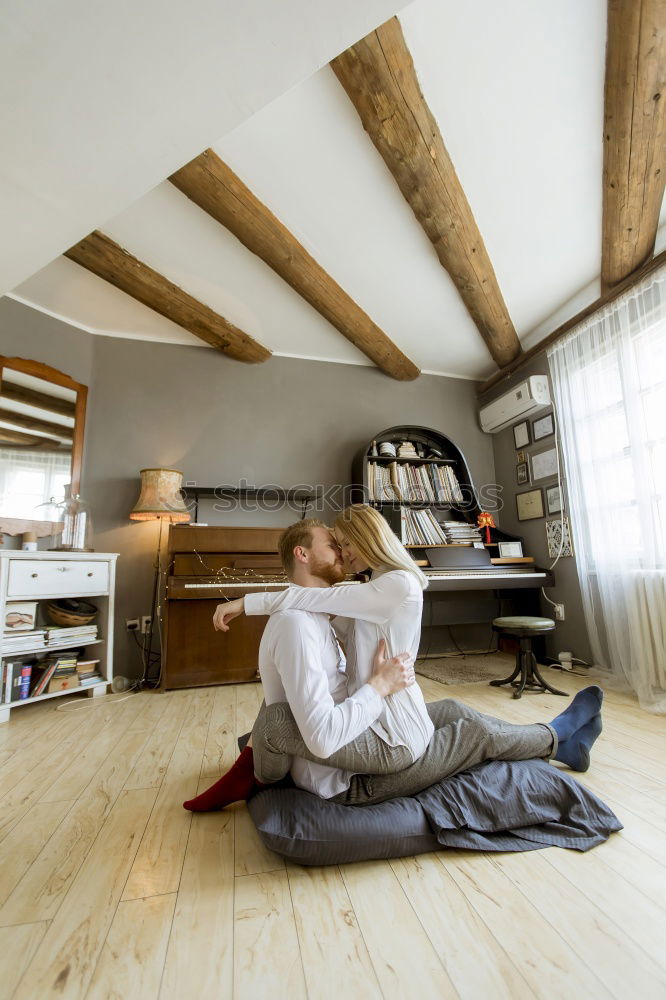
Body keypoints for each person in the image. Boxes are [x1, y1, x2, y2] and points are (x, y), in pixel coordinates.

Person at [184, 510, 603, 812]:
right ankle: (558, 736)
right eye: (336, 546)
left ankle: (561, 740)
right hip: (369, 754)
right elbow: (311, 609)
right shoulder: (315, 615)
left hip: (377, 721)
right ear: (304, 554)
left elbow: (319, 604)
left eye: (346, 544)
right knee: (471, 730)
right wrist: (377, 685)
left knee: (458, 710)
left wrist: (248, 603)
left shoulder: (388, 585)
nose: (343, 554)